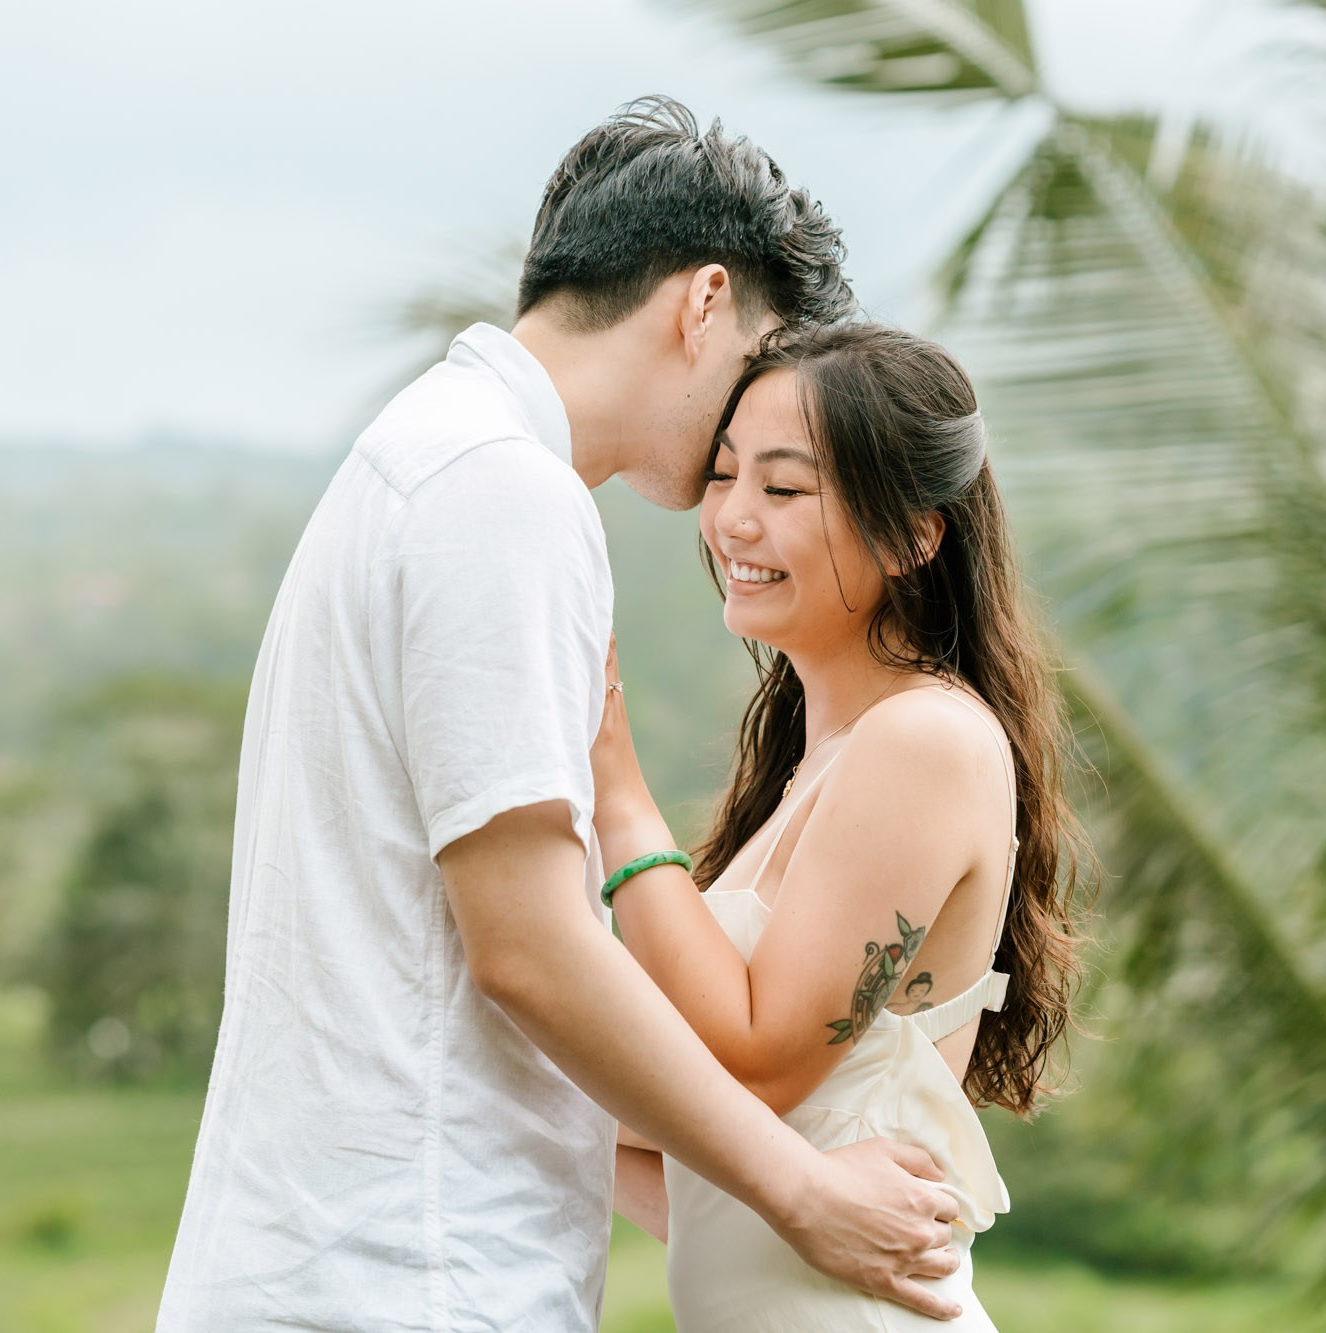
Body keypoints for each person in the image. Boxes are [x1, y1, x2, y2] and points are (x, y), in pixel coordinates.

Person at [155, 97, 969, 1331]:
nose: (740, 428)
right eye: (755, 360)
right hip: (409, 1275)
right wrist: (801, 1191)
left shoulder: (413, 457)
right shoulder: (505, 493)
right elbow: (529, 947)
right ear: (702, 303)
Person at [590, 322, 1090, 1330]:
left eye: (783, 488)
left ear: (912, 536)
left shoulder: (924, 741)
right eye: (723, 475)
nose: (732, 518)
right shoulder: (817, 765)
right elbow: (706, 1159)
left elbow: (755, 1063)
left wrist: (616, 787)